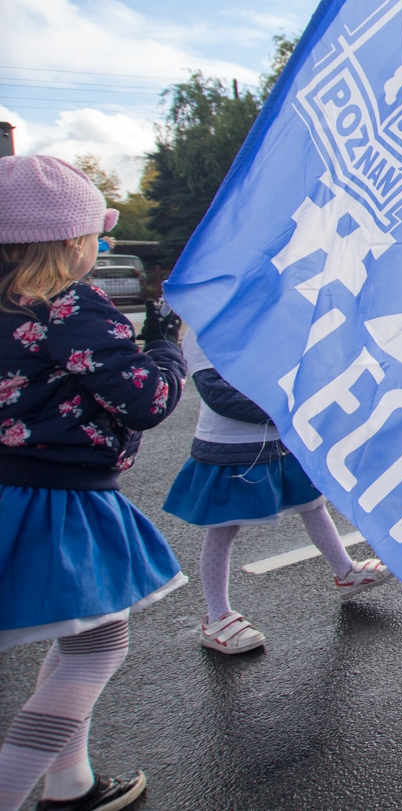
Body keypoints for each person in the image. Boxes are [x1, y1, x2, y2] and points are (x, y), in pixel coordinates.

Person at [0, 155, 190, 811]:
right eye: (95, 236)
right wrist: (166, 346)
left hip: (16, 492)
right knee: (98, 644)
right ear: (70, 241)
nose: (98, 246)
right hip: (61, 501)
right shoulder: (70, 304)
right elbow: (145, 400)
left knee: (75, 633)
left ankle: (71, 785)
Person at [163, 330, 392, 653]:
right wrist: (287, 411)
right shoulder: (204, 331)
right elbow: (219, 394)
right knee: (223, 528)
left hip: (279, 441)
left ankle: (345, 571)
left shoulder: (253, 320)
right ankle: (217, 615)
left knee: (312, 503)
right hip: (231, 446)